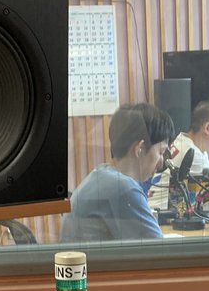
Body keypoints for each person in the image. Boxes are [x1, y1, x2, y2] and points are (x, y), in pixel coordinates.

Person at [61, 103, 175, 242]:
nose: (162, 162)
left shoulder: (102, 174)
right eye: (161, 152)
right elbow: (160, 251)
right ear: (139, 148)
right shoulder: (123, 189)